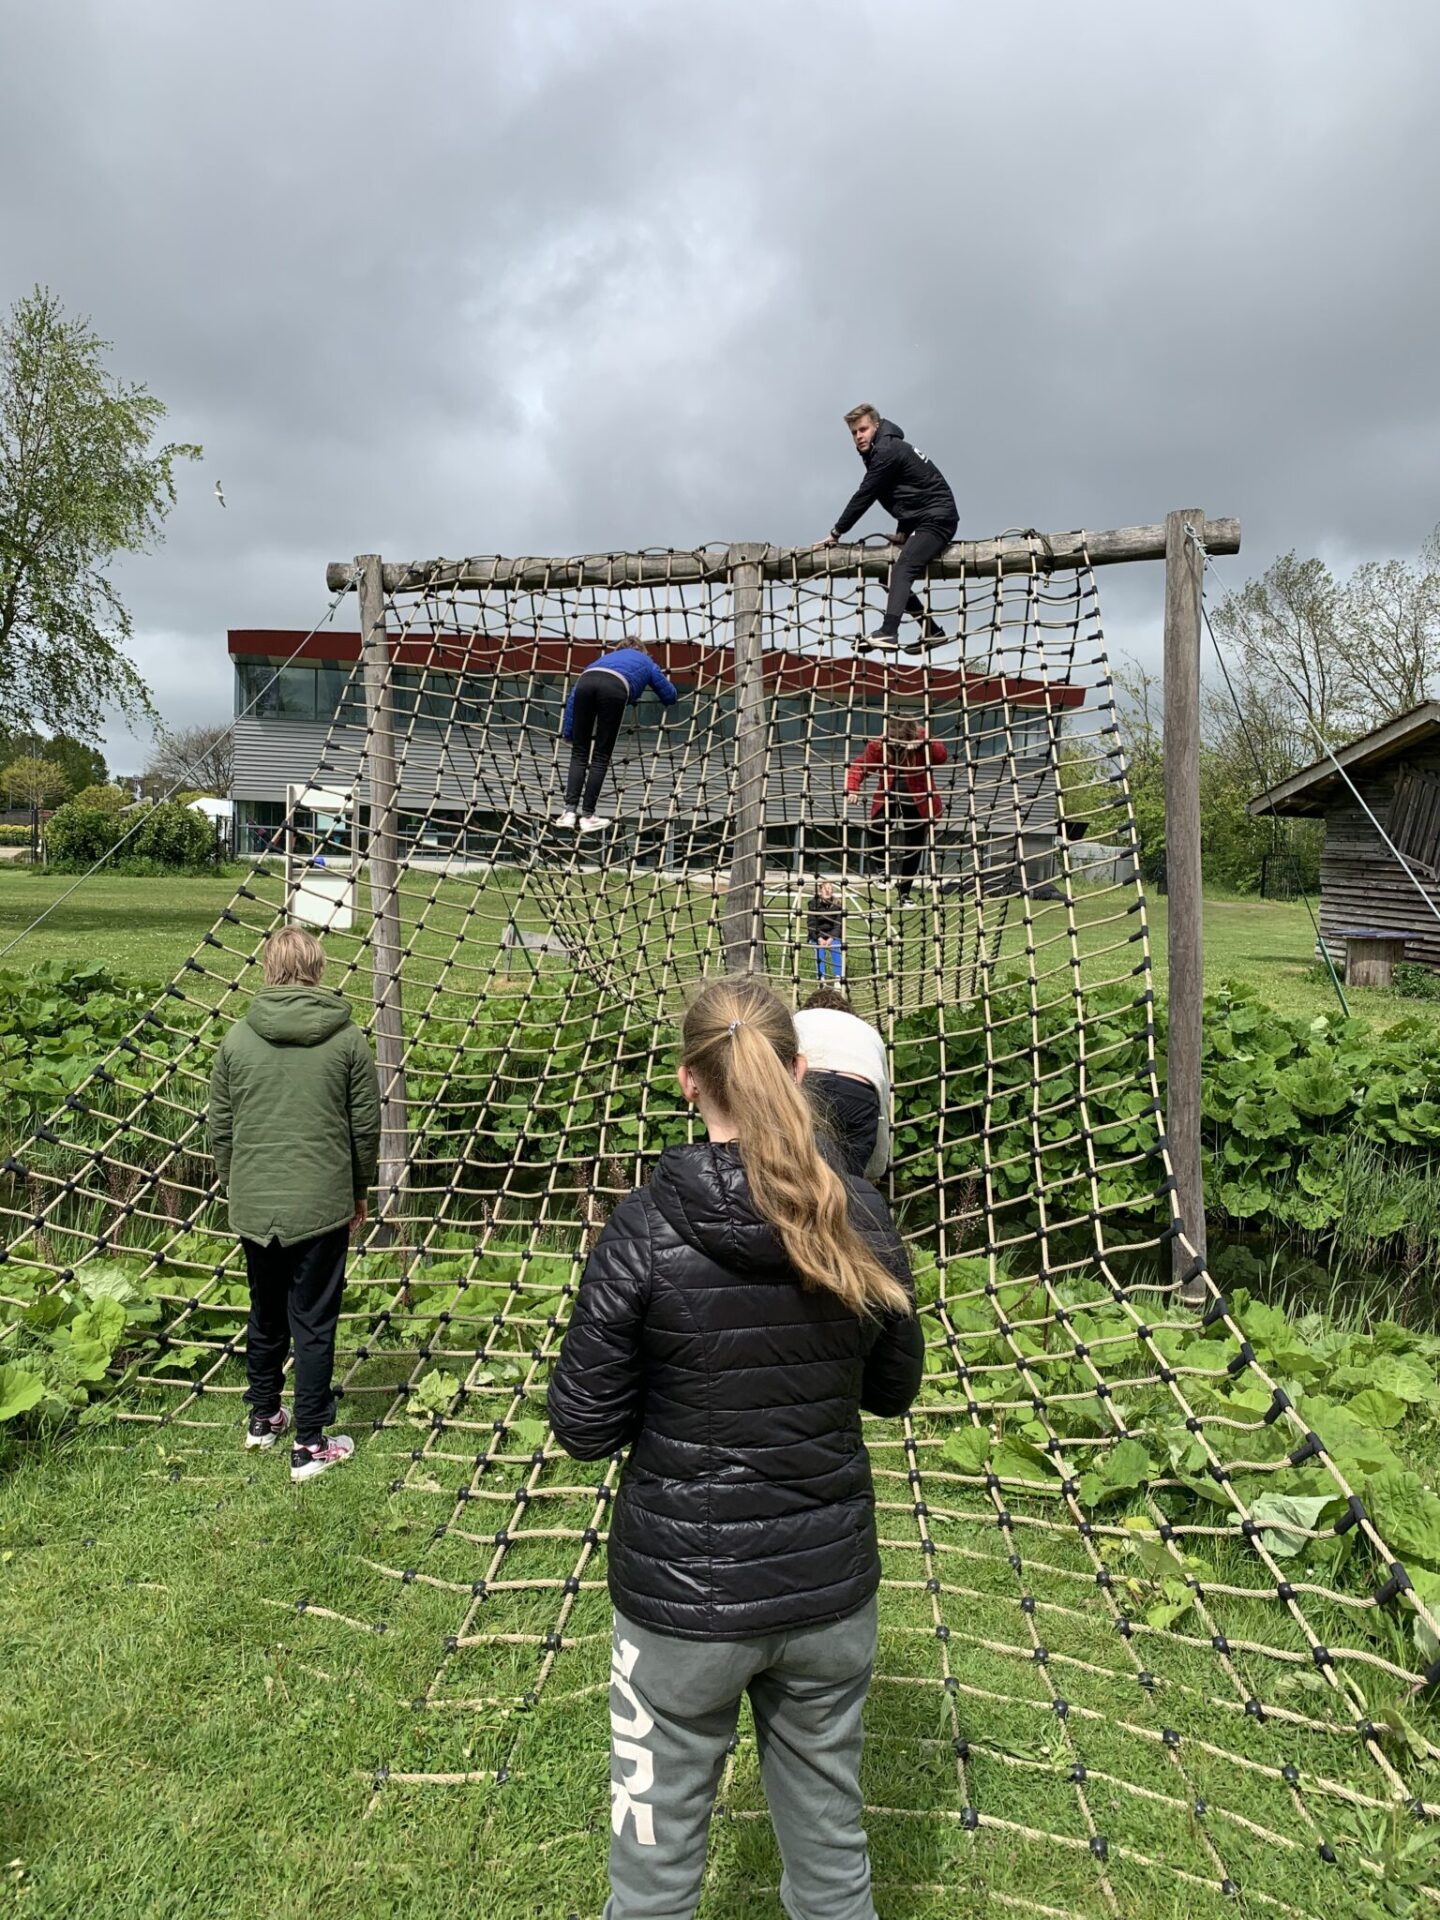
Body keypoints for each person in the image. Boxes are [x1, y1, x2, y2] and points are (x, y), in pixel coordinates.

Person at [548, 975, 923, 1920]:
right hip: (828, 1596)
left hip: (682, 1603)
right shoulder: (861, 1214)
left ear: (688, 1081)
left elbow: (583, 1427)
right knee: (834, 1864)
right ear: (797, 1070)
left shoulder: (641, 1228)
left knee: (653, 1878)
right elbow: (893, 1389)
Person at [208, 926, 380, 1483]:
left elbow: (222, 1126)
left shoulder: (236, 1038)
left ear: (268, 969)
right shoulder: (349, 1039)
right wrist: (359, 1190)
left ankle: (263, 1417)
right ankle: (309, 1442)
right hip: (322, 1203)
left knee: (265, 1311)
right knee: (313, 1321)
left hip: (256, 1202)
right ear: (318, 968)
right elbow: (365, 1129)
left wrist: (235, 1181)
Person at [813, 405, 958, 650]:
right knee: (886, 573)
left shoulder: (886, 451)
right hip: (924, 518)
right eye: (853, 432)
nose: (858, 436)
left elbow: (866, 494)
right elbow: (909, 493)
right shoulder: (880, 451)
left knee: (903, 569)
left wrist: (837, 532)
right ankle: (931, 631)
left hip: (938, 520)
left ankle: (889, 631)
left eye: (863, 429)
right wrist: (902, 531)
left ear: (877, 426)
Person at [557, 646, 679, 832]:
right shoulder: (646, 661)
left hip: (585, 682)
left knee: (579, 753)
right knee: (600, 757)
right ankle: (588, 815)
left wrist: (569, 732)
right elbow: (669, 696)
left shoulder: (603, 659)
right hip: (614, 687)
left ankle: (569, 813)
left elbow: (573, 698)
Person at [845, 716, 947, 903]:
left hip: (919, 798)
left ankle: (904, 892)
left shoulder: (923, 738)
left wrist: (923, 744)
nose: (896, 738)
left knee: (914, 845)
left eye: (900, 735)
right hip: (889, 793)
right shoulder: (880, 744)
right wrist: (853, 788)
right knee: (877, 826)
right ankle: (882, 869)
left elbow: (941, 756)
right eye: (893, 734)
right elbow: (860, 765)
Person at [795, 986, 890, 1182]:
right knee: (851, 1186)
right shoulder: (868, 1032)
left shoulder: (797, 1020)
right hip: (858, 1092)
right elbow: (883, 1103)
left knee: (797, 1173)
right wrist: (876, 1168)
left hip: (808, 1081)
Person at [806, 877, 844, 981]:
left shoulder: (837, 905)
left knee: (836, 946)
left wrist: (831, 938)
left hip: (833, 936)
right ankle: (821, 977)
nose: (827, 890)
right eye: (825, 888)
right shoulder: (814, 905)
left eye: (830, 888)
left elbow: (838, 925)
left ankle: (838, 977)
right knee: (820, 948)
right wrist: (819, 938)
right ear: (820, 890)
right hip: (817, 936)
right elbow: (812, 925)